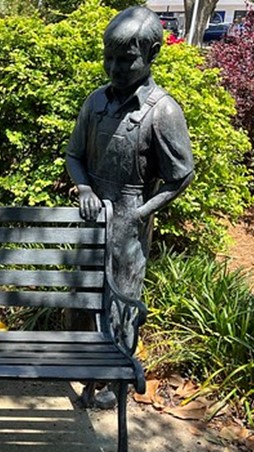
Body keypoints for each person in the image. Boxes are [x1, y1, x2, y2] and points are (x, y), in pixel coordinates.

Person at [64, 6, 194, 409]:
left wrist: (141, 213)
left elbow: (181, 175)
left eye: (126, 59)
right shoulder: (96, 101)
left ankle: (113, 384)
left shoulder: (162, 111)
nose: (115, 68)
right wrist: (83, 188)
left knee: (121, 302)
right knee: (83, 298)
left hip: (129, 218)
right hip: (91, 216)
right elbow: (73, 155)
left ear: (152, 53)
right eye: (109, 58)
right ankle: (84, 375)